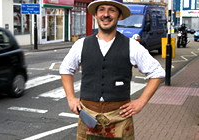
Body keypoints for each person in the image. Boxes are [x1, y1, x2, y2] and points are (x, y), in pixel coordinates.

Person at [59, 0, 165, 139]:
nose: (106, 14)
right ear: (96, 15)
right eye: (101, 10)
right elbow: (65, 69)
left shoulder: (132, 46)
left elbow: (157, 72)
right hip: (89, 117)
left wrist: (141, 102)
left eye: (112, 10)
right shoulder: (81, 44)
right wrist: (71, 98)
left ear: (119, 16)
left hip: (119, 118)